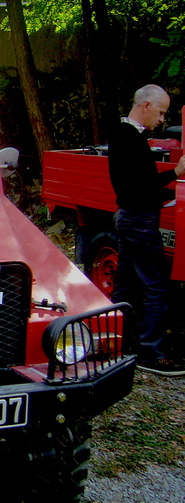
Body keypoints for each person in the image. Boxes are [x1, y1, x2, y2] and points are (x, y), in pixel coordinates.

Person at [108, 84, 185, 376]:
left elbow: (139, 183)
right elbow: (140, 189)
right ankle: (149, 352)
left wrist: (166, 185)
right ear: (146, 106)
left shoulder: (126, 135)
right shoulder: (130, 137)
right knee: (157, 285)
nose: (163, 119)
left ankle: (115, 341)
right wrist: (175, 177)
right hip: (139, 219)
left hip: (129, 216)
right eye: (162, 112)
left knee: (126, 283)